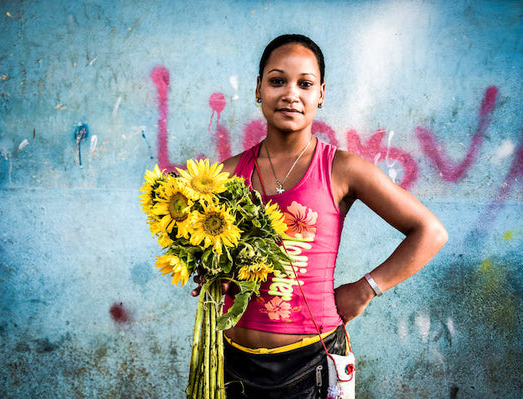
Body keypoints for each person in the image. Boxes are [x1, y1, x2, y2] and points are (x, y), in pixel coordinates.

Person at [192, 34, 448, 398]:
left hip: (312, 363)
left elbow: (430, 231)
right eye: (277, 80)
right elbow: (211, 254)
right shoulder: (226, 174)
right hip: (231, 364)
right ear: (258, 90)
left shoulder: (342, 169)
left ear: (321, 94)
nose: (290, 93)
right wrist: (215, 277)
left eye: (305, 84)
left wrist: (366, 289)